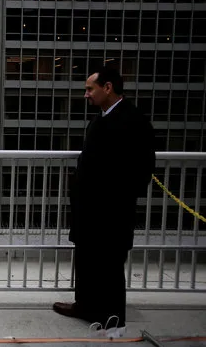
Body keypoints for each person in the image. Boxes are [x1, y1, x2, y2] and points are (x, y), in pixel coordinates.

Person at [53, 67, 156, 336]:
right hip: (90, 208)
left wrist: (116, 198)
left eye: (90, 89)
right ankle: (86, 306)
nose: (86, 94)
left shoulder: (133, 120)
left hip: (112, 210)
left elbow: (143, 168)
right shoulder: (101, 119)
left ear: (107, 87)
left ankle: (113, 320)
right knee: (87, 260)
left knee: (109, 264)